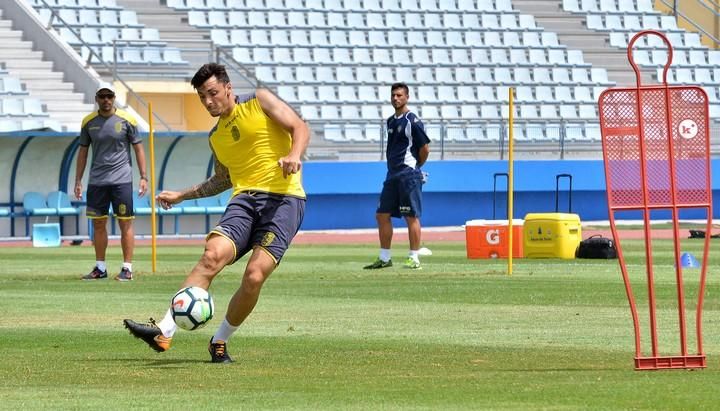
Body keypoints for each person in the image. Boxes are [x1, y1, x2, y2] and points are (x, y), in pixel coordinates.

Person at [123, 63, 309, 363]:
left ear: (228, 88)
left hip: (284, 199)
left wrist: (294, 154)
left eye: (212, 93)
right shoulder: (215, 137)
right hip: (245, 200)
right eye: (202, 97)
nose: (209, 101)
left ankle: (219, 340)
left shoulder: (259, 100)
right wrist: (182, 195)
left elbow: (299, 127)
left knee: (254, 275)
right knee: (211, 255)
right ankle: (164, 331)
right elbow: (222, 180)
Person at [75, 83, 147, 281]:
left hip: (121, 180)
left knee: (125, 223)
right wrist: (78, 180)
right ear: (97, 99)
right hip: (97, 181)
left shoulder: (127, 120)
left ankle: (127, 269)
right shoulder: (88, 122)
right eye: (102, 96)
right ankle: (100, 268)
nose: (106, 100)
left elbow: (138, 148)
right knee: (98, 224)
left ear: (114, 98)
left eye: (109, 96)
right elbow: (82, 152)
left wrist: (143, 176)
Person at [364, 83, 430, 270]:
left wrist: (415, 167)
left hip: (408, 175)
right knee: (382, 214)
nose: (395, 98)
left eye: (399, 95)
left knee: (411, 216)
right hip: (392, 175)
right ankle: (385, 258)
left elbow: (424, 148)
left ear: (407, 97)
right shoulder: (391, 121)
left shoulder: (412, 121)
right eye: (393, 95)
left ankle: (414, 258)